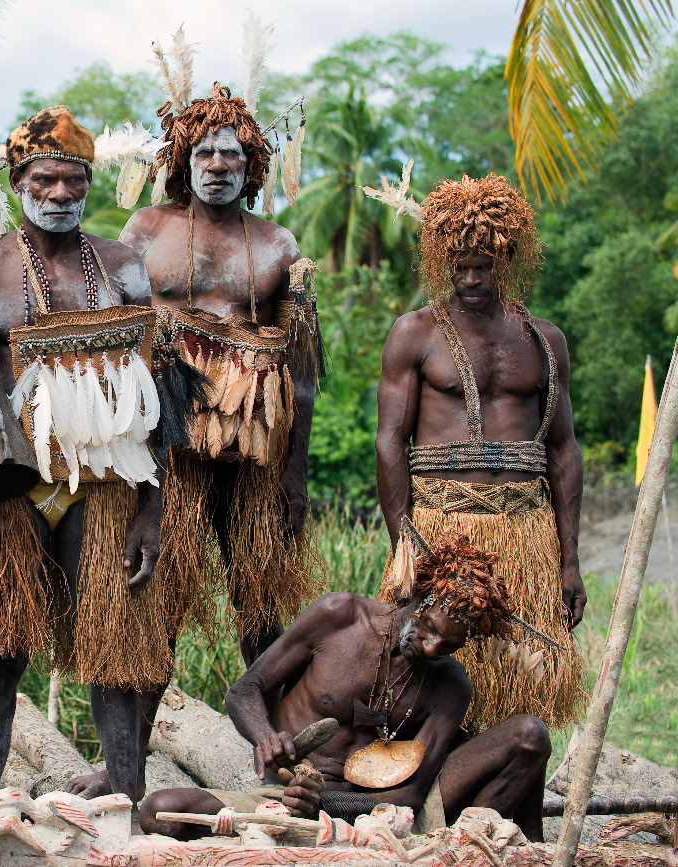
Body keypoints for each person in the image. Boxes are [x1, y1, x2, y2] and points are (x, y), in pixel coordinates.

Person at [0, 106, 165, 808]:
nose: (60, 194)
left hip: (106, 481)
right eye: (45, 178)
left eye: (73, 181)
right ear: (17, 178)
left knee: (115, 655)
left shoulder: (121, 265)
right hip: (13, 480)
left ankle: (126, 805)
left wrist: (153, 506)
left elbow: (156, 394)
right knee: (3, 655)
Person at [140, 534, 554, 842]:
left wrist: (327, 805)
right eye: (430, 629)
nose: (431, 648)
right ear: (420, 595)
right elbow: (245, 690)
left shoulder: (450, 685)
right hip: (285, 797)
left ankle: (462, 848)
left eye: (449, 644)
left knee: (530, 735)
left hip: (381, 812)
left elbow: (410, 794)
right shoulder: (339, 616)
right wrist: (266, 739)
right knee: (162, 811)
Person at [121, 81, 322, 667]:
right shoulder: (147, 229)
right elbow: (119, 330)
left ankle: (278, 746)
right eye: (205, 152)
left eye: (231, 153)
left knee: (258, 603)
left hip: (254, 447)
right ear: (183, 160)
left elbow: (302, 373)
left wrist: (296, 472)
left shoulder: (277, 244)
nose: (217, 165)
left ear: (251, 163)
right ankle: (130, 759)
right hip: (166, 440)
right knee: (156, 600)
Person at [375, 173, 585, 732]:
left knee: (524, 678)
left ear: (507, 259)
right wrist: (404, 544)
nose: (471, 278)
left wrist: (569, 560)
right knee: (432, 674)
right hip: (440, 533)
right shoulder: (414, 334)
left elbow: (563, 452)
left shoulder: (546, 341)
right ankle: (433, 797)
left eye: (484, 265)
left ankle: (515, 803)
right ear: (444, 260)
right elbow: (390, 441)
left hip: (527, 534)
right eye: (460, 265)